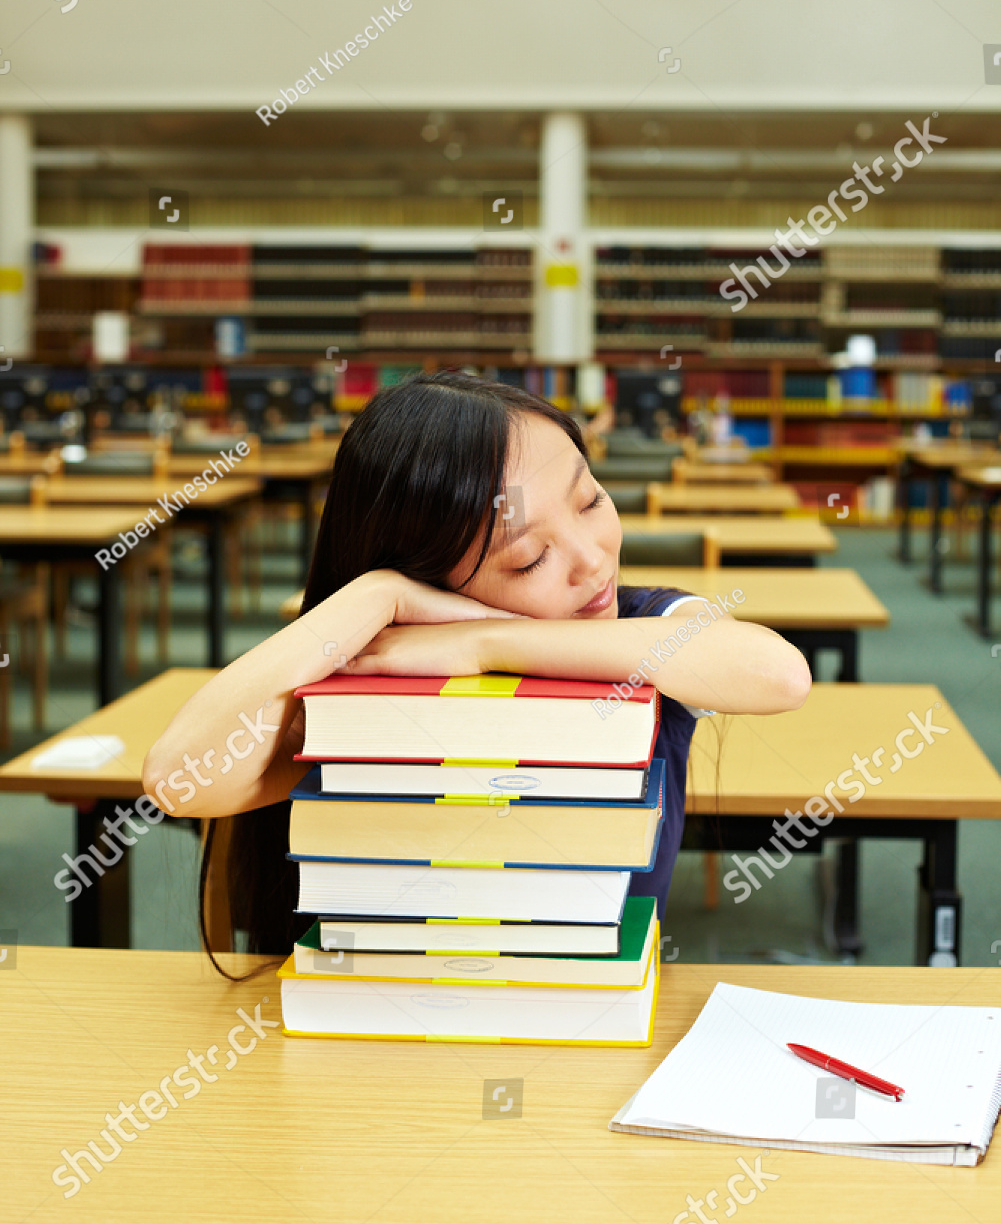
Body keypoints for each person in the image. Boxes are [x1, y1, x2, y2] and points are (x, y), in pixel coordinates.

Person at [143, 372, 811, 964]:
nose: (591, 561)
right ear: (428, 578)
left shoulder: (642, 631)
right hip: (386, 1025)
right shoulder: (384, 683)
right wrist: (377, 595)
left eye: (589, 502)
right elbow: (178, 780)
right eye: (527, 558)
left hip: (586, 1019)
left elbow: (777, 675)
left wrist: (485, 644)